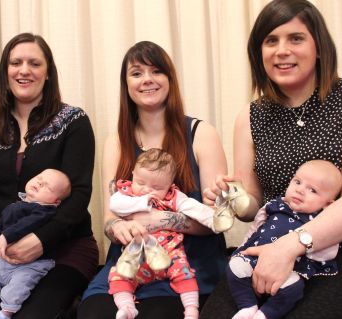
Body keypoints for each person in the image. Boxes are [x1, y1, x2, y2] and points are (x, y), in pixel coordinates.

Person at [201, 1, 342, 318]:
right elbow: (252, 204)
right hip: (267, 250)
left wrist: (291, 246)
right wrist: (231, 197)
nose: (282, 50)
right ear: (259, 52)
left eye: (295, 38)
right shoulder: (249, 117)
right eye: (271, 40)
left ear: (318, 47)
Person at [0, 33, 98, 319]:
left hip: (64, 249)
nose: (24, 70)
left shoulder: (74, 121)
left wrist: (40, 239)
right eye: (16, 63)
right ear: (6, 72)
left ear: (48, 73)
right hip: (6, 254)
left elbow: (79, 197)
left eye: (34, 63)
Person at [78, 41, 228, 319]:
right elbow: (109, 218)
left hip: (189, 266)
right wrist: (119, 228)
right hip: (129, 263)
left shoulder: (201, 133)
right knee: (93, 313)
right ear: (126, 85)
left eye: (156, 71)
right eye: (137, 73)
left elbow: (216, 221)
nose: (147, 79)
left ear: (169, 79)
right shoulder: (116, 142)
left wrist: (156, 220)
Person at [109, 148, 227, 319]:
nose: (146, 190)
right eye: (141, 182)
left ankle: (192, 310)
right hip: (136, 253)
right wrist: (144, 202)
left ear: (170, 184)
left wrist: (213, 219)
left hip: (169, 252)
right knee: (119, 275)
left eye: (157, 187)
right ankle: (127, 307)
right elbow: (115, 205)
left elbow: (193, 207)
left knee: (185, 275)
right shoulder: (127, 194)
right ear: (133, 174)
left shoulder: (173, 196)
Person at [228, 160, 342, 319]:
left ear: (328, 205)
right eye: (298, 182)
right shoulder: (274, 205)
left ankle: (265, 314)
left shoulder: (320, 221)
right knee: (235, 267)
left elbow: (329, 249)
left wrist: (311, 259)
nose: (300, 190)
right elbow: (256, 228)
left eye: (313, 190)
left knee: (293, 288)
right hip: (255, 257)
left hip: (290, 269)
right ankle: (247, 306)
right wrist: (242, 248)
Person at [0, 168, 71, 319]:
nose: (40, 183)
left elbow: (27, 224)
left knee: (20, 285)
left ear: (55, 201)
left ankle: (6, 313)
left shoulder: (45, 211)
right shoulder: (12, 207)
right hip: (3, 260)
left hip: (30, 265)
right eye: (39, 178)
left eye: (47, 186)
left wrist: (7, 236)